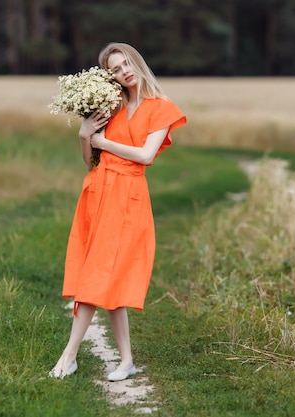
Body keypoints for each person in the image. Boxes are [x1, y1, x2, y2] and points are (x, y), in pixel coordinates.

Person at [49, 42, 186, 381]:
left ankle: (69, 356)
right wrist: (85, 135)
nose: (123, 71)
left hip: (128, 197)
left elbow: (144, 155)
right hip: (97, 192)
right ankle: (126, 361)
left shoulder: (162, 107)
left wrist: (102, 142)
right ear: (109, 77)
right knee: (102, 275)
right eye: (114, 69)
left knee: (101, 274)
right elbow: (90, 161)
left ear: (137, 62)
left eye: (126, 63)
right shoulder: (112, 105)